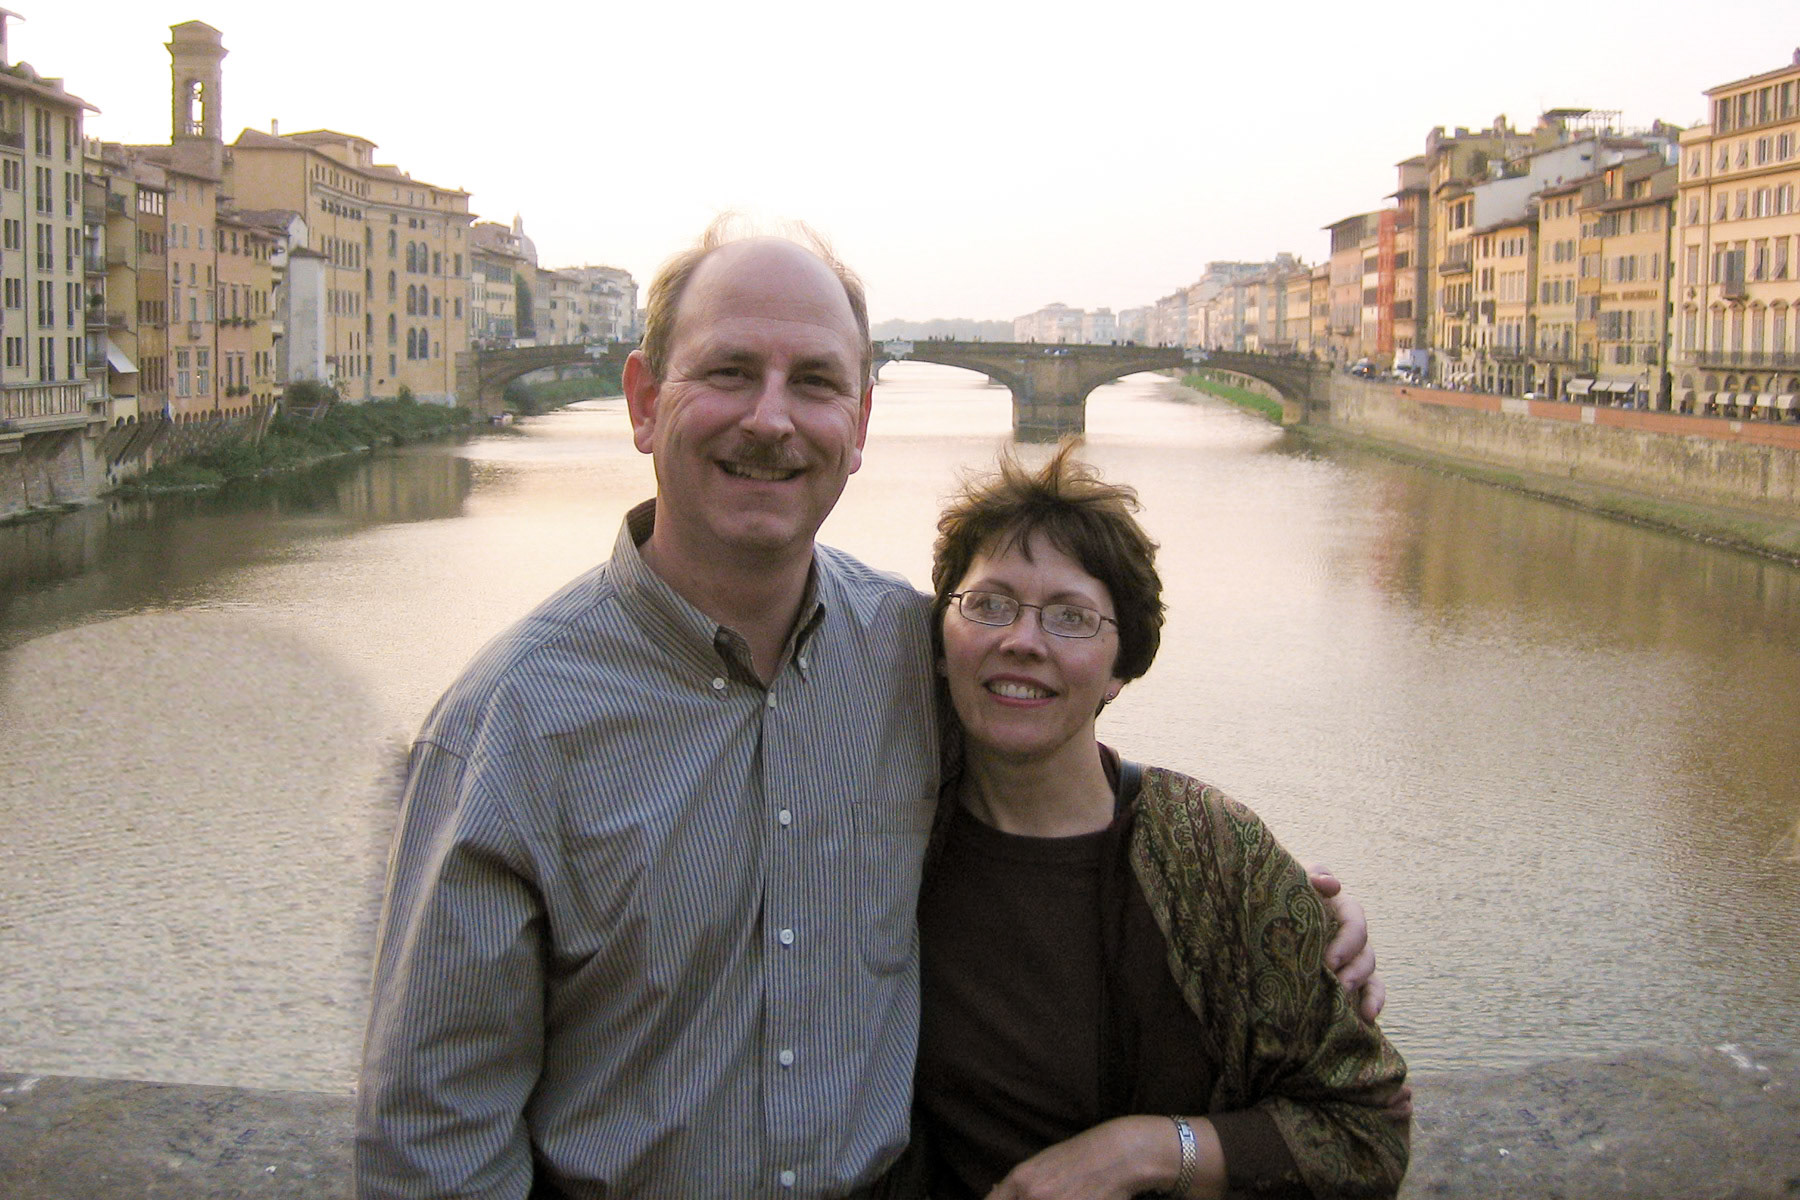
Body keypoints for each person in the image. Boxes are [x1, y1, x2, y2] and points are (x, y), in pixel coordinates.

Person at [355, 221, 1384, 1199]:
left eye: (813, 383)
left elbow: (1050, 759)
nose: (770, 418)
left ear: (858, 427)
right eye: (726, 371)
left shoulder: (915, 652)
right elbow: (435, 1137)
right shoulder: (506, 725)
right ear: (641, 400)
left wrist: (1271, 912)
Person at [915, 446, 1410, 1200]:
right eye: (989, 604)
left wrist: (1148, 1151)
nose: (1022, 639)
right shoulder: (877, 827)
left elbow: (1364, 1134)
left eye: (1072, 618)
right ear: (942, 642)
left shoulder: (1215, 857)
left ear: (1121, 666)